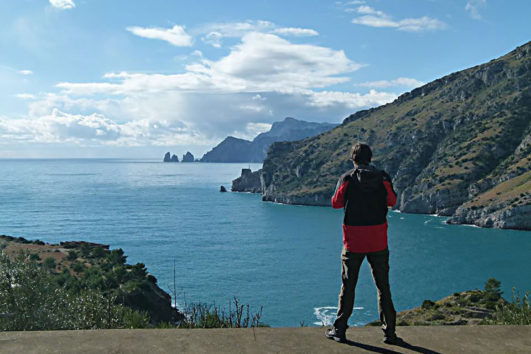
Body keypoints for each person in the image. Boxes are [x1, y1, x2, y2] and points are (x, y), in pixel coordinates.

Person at [325, 143, 400, 345]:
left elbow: (335, 203)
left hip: (353, 240)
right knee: (383, 287)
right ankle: (390, 333)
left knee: (348, 286)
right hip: (378, 239)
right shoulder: (383, 177)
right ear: (370, 157)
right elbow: (392, 201)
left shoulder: (347, 178)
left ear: (353, 159)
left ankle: (340, 330)